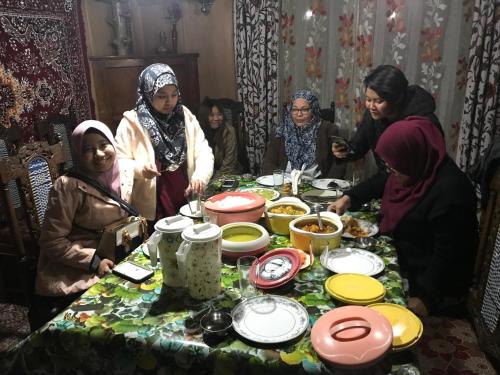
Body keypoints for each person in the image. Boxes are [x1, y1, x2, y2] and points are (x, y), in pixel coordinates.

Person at [29, 120, 151, 330]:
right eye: (88, 149)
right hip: (80, 268)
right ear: (77, 152)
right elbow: (51, 241)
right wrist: (94, 261)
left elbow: (137, 168)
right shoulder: (67, 187)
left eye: (104, 144)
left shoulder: (122, 170)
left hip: (120, 251)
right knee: (109, 322)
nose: (100, 154)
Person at [374, 116, 477, 317]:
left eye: (395, 168)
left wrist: (424, 296)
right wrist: (349, 198)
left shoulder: (451, 192)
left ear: (411, 156)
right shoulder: (419, 167)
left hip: (437, 287)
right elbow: (382, 181)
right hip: (408, 262)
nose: (392, 173)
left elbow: (447, 254)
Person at [329, 65, 443, 214]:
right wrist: (344, 150)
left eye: (378, 101)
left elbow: (396, 175)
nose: (371, 106)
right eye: (368, 99)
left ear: (397, 98)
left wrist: (351, 197)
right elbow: (359, 145)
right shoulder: (374, 114)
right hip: (388, 185)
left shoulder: (418, 126)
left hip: (420, 195)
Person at [115, 63, 214, 220]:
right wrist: (141, 169)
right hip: (152, 206)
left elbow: (203, 151)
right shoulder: (131, 123)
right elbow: (118, 163)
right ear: (147, 93)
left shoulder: (184, 116)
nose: (170, 101)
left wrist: (200, 176)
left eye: (174, 94)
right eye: (161, 96)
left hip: (186, 198)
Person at [262, 89, 345, 178]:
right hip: (285, 183)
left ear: (313, 110)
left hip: (316, 184)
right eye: (294, 110)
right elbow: (268, 163)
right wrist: (279, 181)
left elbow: (340, 162)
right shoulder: (280, 132)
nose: (299, 114)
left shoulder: (328, 129)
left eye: (304, 110)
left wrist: (328, 185)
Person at [200, 99, 241, 177]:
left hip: (227, 173)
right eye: (211, 115)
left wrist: (214, 180)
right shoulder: (198, 132)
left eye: (219, 114)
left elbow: (229, 164)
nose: (216, 118)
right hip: (205, 176)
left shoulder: (229, 131)